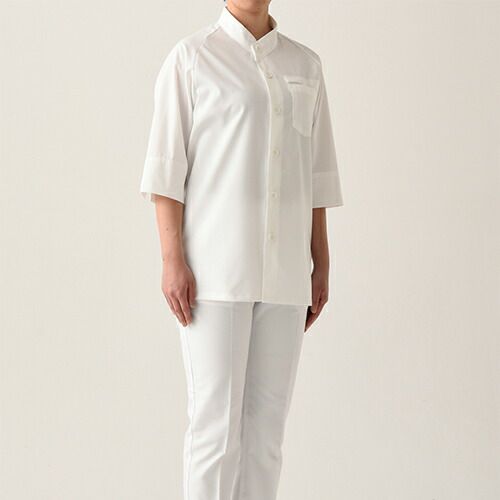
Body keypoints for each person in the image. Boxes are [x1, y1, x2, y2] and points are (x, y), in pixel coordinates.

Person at [140, 1, 343, 499]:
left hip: (285, 274)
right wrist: (171, 260)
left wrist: (320, 260)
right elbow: (166, 170)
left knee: (266, 435)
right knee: (215, 430)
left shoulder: (305, 66)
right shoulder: (191, 59)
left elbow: (316, 175)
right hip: (213, 274)